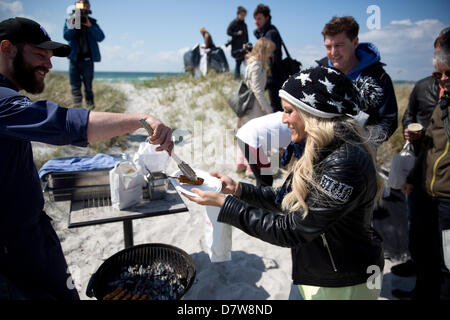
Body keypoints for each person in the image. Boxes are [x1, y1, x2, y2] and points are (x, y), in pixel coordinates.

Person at [0, 17, 173, 300]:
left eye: (50, 56)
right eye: (40, 55)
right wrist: (141, 119)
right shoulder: (3, 102)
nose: (49, 64)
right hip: (10, 251)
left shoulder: (9, 96)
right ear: (7, 48)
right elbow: (65, 124)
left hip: (32, 234)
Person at [183, 66, 385, 300]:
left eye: (289, 111)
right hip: (315, 273)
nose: (283, 119)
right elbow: (287, 199)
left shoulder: (344, 162)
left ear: (313, 113)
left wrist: (226, 205)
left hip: (342, 283)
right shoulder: (321, 147)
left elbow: (291, 230)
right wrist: (238, 190)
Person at [390, 28, 449, 288]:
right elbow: (410, 118)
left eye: (447, 71)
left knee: (445, 254)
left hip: (445, 192)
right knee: (422, 242)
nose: (442, 78)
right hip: (424, 178)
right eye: (439, 71)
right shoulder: (425, 87)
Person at [317, 16, 398, 144]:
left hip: (361, 153)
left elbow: (388, 120)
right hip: (321, 149)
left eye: (339, 45)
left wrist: (362, 141)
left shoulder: (378, 77)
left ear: (355, 43)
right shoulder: (318, 74)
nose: (333, 52)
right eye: (328, 47)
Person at [235, 38, 275, 178]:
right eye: (269, 52)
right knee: (255, 137)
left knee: (246, 134)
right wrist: (268, 109)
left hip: (247, 105)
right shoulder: (257, 65)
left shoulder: (251, 62)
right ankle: (251, 169)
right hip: (254, 107)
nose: (270, 55)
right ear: (263, 51)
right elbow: (258, 90)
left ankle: (240, 163)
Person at [64, 0, 104, 110]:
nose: (84, 7)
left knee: (88, 88)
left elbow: (101, 37)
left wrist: (90, 26)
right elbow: (67, 36)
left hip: (88, 60)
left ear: (89, 7)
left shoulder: (92, 22)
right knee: (75, 87)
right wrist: (73, 21)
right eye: (81, 4)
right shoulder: (70, 19)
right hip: (74, 59)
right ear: (76, 6)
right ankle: (77, 110)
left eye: (86, 4)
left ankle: (91, 111)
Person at [253, 3, 283, 113]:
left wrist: (254, 57)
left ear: (267, 18)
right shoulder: (266, 32)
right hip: (271, 74)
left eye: (259, 18)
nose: (256, 21)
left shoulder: (270, 33)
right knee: (274, 105)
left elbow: (272, 57)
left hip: (272, 75)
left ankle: (279, 128)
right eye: (255, 19)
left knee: (275, 107)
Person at [227, 6, 249, 80]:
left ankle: (244, 78)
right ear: (238, 14)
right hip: (236, 46)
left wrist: (247, 44)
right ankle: (237, 78)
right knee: (238, 61)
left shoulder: (244, 25)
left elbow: (246, 35)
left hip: (243, 46)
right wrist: (236, 33)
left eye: (244, 15)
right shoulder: (234, 23)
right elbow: (228, 32)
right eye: (242, 15)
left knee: (246, 63)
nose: (243, 17)